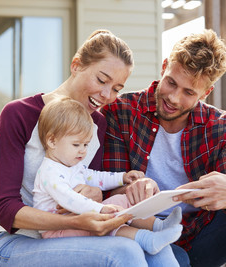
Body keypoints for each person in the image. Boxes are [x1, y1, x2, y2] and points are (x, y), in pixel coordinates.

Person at [0, 29, 172, 267]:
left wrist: (121, 188)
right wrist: (76, 222)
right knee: (124, 252)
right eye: (101, 80)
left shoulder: (97, 124)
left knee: (160, 251)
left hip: (74, 235)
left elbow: (88, 185)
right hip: (14, 242)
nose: (106, 95)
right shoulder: (19, 114)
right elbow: (6, 210)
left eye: (116, 88)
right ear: (76, 65)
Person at [101, 29, 226, 267]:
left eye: (189, 92)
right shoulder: (120, 112)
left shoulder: (223, 129)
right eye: (171, 83)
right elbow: (106, 191)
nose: (174, 98)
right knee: (176, 259)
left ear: (206, 92)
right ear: (165, 66)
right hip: (140, 234)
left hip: (200, 234)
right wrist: (130, 188)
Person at [32, 96, 182, 264]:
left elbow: (95, 177)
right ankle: (147, 239)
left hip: (77, 218)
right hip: (57, 231)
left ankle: (158, 226)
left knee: (122, 199)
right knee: (108, 221)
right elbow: (69, 199)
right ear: (52, 141)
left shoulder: (72, 164)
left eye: (85, 145)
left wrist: (122, 177)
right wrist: (100, 210)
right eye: (76, 145)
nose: (82, 151)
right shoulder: (49, 172)